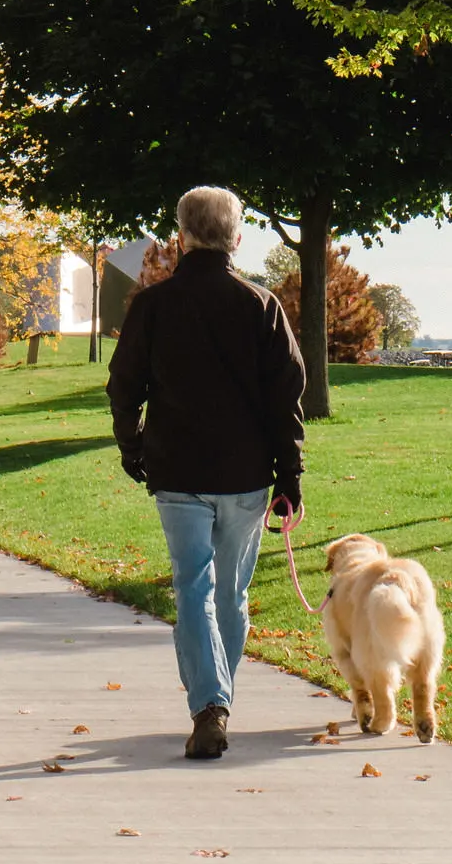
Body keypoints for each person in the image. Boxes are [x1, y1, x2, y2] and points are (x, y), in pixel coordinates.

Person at [106, 186, 305, 760]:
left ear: (182, 236)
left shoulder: (152, 307)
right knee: (231, 593)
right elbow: (286, 397)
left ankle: (209, 705)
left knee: (194, 587)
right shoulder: (261, 306)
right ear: (236, 238)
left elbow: (124, 386)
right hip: (246, 475)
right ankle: (216, 701)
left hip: (178, 470)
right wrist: (289, 476)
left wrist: (132, 445)